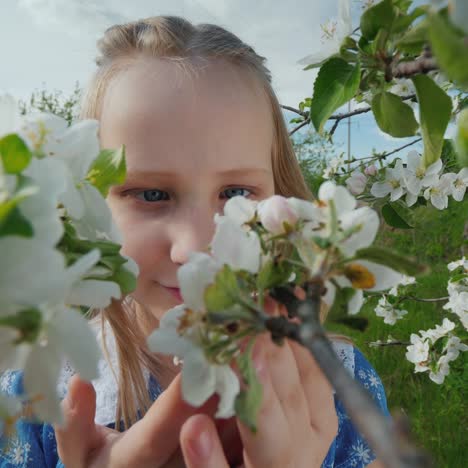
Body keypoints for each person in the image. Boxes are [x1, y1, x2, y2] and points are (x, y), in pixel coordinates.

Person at [0, 16, 388, 467]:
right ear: (86, 204)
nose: (193, 249)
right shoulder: (40, 388)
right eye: (151, 194)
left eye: (236, 194)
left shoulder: (340, 384)